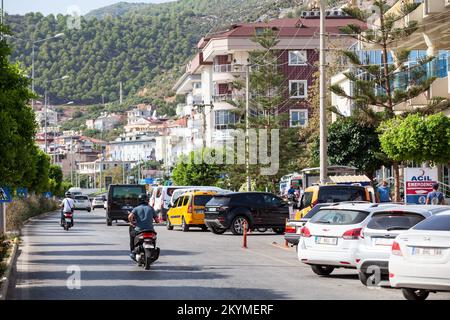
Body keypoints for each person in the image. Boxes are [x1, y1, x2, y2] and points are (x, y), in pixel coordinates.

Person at [128, 193, 159, 261]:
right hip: (150, 230)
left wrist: (132, 223)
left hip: (139, 230)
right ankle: (153, 249)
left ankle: (133, 251)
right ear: (147, 200)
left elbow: (130, 217)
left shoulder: (136, 208)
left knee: (132, 235)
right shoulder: (151, 208)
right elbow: (157, 220)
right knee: (154, 238)